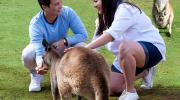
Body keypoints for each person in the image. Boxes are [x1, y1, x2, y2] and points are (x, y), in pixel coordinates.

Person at [86, 0, 166, 100]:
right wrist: (78, 52)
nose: (94, 5)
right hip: (125, 55)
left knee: (124, 47)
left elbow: (110, 35)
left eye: (96, 1)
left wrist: (85, 48)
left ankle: (130, 92)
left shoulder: (125, 9)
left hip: (152, 49)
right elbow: (95, 44)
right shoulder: (102, 19)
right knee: (111, 88)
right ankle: (145, 72)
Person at [21, 0, 87, 92]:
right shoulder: (35, 24)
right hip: (45, 52)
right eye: (56, 4)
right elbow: (39, 50)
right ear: (45, 7)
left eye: (61, 2)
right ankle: (36, 75)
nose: (61, 6)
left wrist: (65, 41)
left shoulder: (68, 12)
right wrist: (40, 65)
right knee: (27, 54)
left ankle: (73, 78)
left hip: (63, 48)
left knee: (83, 47)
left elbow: (83, 35)